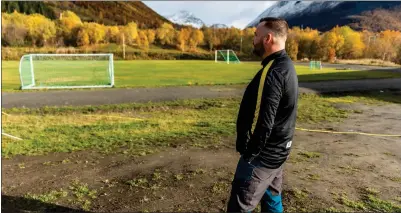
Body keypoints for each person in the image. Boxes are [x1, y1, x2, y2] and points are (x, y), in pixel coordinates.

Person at [226, 17, 298, 213]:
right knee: (272, 201)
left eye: (256, 35)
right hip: (277, 153)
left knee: (239, 207)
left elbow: (264, 121)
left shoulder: (274, 72)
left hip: (262, 158)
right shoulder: (285, 66)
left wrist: (250, 153)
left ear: (267, 38)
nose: (253, 39)